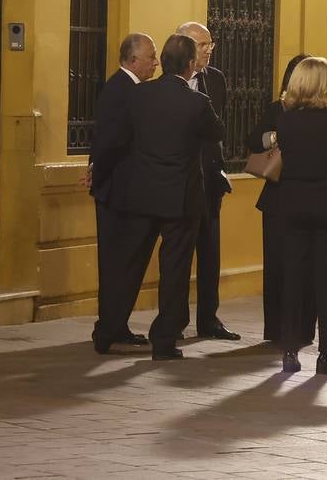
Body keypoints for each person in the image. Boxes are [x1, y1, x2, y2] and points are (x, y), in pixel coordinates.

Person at [109, 34, 224, 360]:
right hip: (180, 198)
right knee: (174, 270)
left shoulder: (139, 95)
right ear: (190, 65)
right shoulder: (196, 101)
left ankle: (108, 329)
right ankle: (164, 340)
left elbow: (122, 137)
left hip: (143, 193)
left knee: (130, 264)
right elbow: (217, 133)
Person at [276, 57, 327, 376]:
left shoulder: (286, 120)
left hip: (292, 205)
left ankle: (290, 351)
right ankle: (325, 354)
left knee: (292, 277)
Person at [87, 32, 159, 354]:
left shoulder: (123, 88)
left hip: (116, 190)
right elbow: (110, 141)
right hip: (119, 193)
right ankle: (108, 329)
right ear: (133, 60)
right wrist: (96, 172)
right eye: (151, 57)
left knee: (121, 263)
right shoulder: (125, 91)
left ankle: (115, 325)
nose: (155, 63)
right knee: (121, 263)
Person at [246, 54, 316, 347]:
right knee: (276, 265)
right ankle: (275, 328)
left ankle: (303, 328)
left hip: (307, 200)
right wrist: (275, 136)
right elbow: (252, 140)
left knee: (307, 267)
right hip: (276, 197)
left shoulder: (324, 114)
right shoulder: (277, 109)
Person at [177, 21, 239, 342]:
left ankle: (209, 319)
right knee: (179, 254)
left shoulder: (215, 80)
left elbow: (216, 129)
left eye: (210, 44)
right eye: (203, 45)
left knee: (210, 254)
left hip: (210, 180)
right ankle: (175, 320)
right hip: (180, 183)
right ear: (185, 47)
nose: (209, 50)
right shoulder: (169, 84)